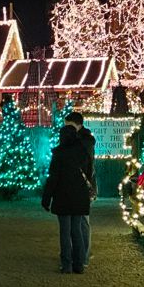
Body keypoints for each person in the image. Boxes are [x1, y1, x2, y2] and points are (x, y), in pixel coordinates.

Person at [42, 124, 92, 274]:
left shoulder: (59, 153)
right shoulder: (83, 152)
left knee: (65, 231)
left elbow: (53, 178)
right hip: (79, 196)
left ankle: (67, 265)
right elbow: (89, 173)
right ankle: (79, 264)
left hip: (63, 195)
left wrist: (46, 198)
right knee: (76, 230)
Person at [63, 112, 97, 267]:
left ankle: (82, 255)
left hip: (82, 186)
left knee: (81, 222)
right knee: (81, 221)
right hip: (84, 185)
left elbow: (87, 167)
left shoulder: (82, 142)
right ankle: (81, 254)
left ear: (75, 124)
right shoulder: (85, 140)